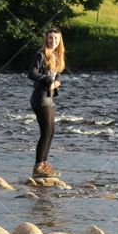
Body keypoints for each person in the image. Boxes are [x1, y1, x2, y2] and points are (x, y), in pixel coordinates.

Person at [28, 28, 65, 178]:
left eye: (56, 39)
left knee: (51, 132)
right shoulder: (41, 54)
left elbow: (59, 74)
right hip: (40, 97)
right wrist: (49, 80)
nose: (53, 41)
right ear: (46, 39)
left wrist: (57, 82)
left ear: (60, 40)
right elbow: (31, 73)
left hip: (48, 97)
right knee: (46, 132)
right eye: (50, 38)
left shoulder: (56, 55)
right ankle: (38, 166)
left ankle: (43, 165)